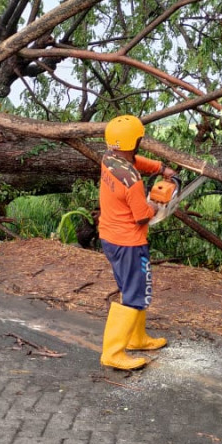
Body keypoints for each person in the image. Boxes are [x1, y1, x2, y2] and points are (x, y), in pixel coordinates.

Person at [97, 114, 177, 370]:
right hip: (129, 242)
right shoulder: (132, 182)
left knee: (136, 290)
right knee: (133, 294)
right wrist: (157, 205)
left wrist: (160, 169)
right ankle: (113, 352)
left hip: (110, 236)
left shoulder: (109, 158)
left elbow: (133, 161)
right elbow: (142, 216)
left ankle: (137, 337)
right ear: (136, 141)